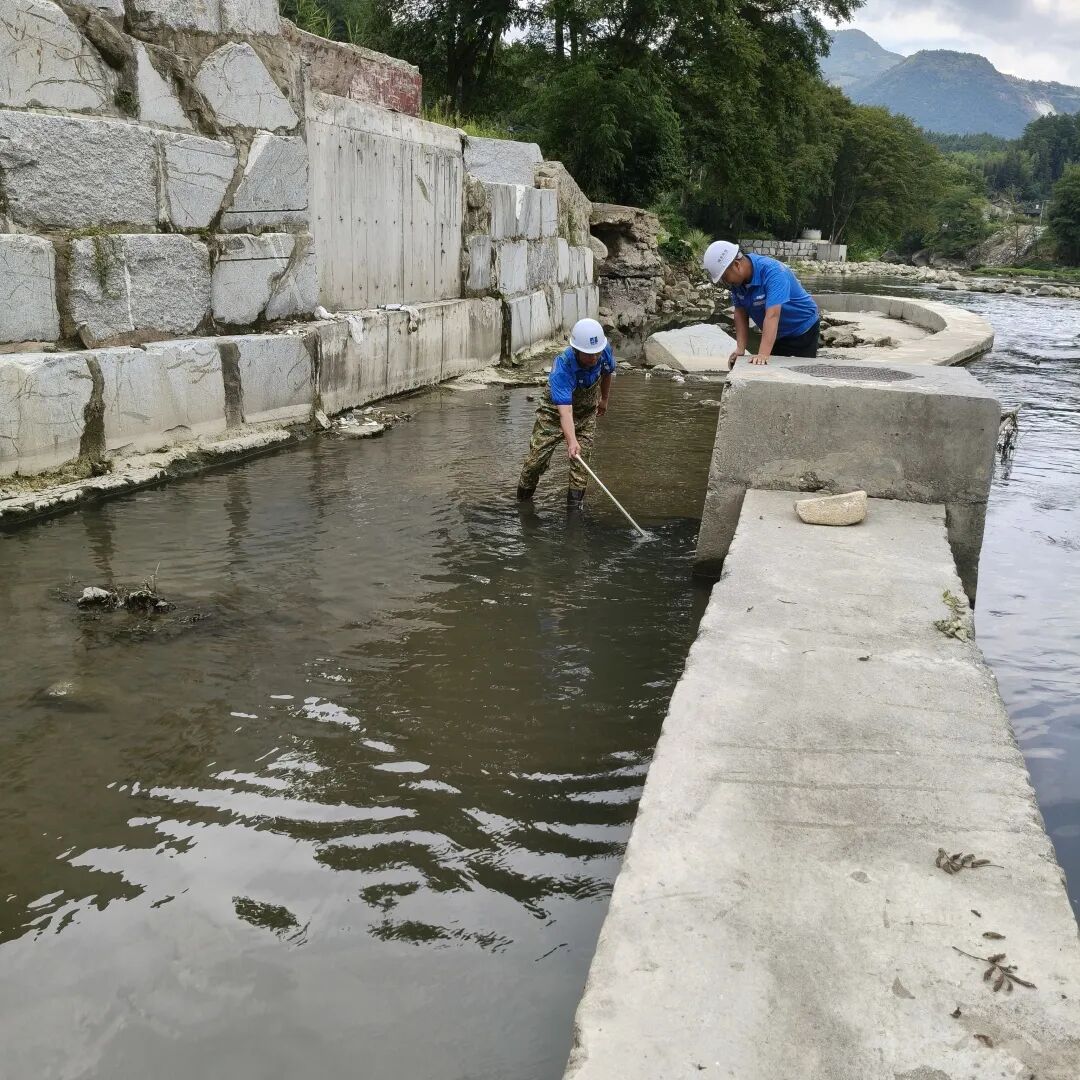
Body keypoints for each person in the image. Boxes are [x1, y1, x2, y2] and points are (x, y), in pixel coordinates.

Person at [517, 317, 616, 507]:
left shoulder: (603, 351)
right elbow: (565, 412)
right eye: (589, 355)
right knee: (535, 462)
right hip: (554, 414)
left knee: (580, 467)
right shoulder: (563, 367)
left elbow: (607, 373)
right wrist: (571, 441)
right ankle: (522, 505)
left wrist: (604, 399)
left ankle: (574, 514)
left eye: (597, 353)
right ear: (577, 350)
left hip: (586, 414)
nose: (594, 358)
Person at [702, 240, 821, 367]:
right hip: (777, 333)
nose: (726, 281)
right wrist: (740, 348)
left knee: (800, 372)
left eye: (725, 277)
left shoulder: (773, 272)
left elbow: (772, 315)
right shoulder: (738, 282)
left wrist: (763, 354)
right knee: (772, 370)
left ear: (737, 265)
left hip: (802, 328)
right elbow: (740, 313)